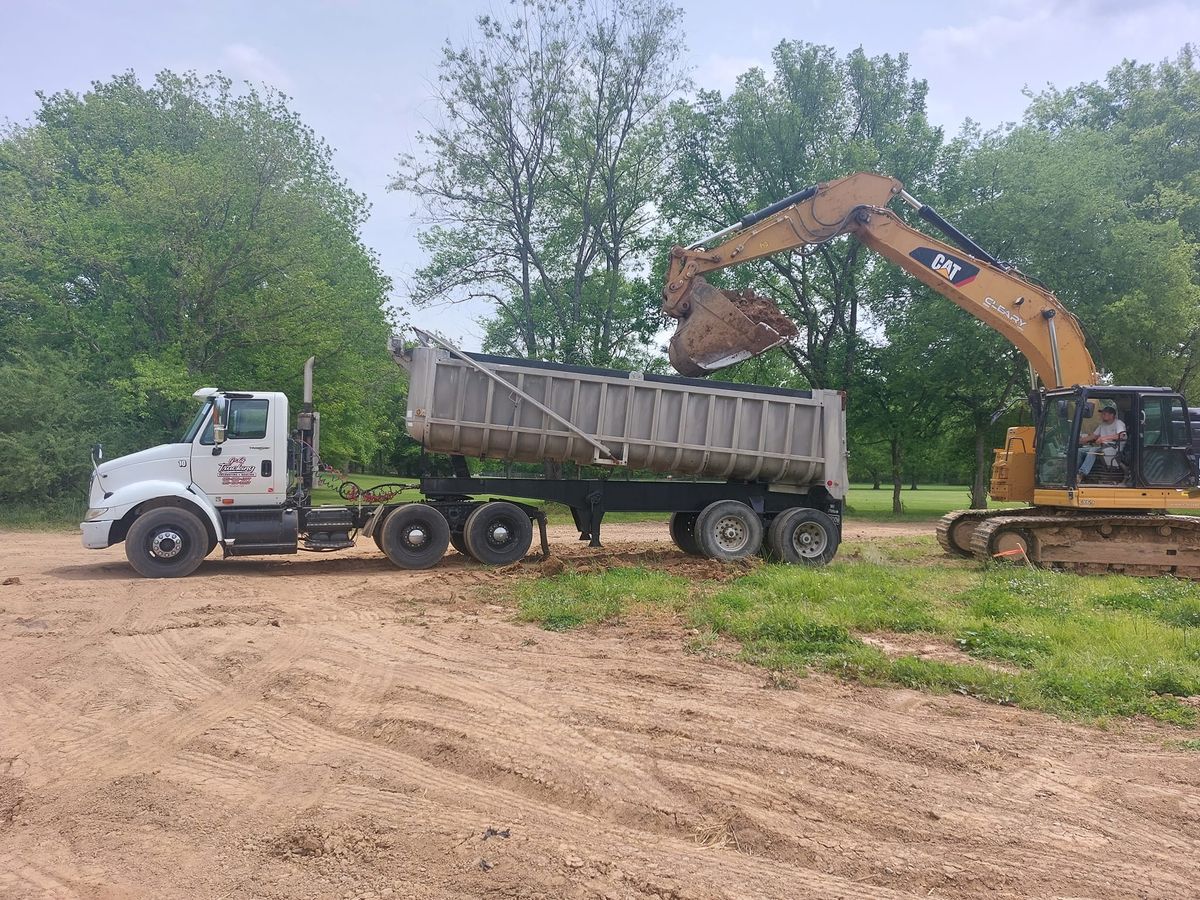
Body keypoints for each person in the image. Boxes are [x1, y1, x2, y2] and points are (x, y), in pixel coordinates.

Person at [1078, 401, 1126, 477]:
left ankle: (1082, 473)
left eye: (1104, 414)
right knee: (1079, 451)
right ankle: (1075, 472)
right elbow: (1094, 436)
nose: (1102, 416)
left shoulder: (1118, 423)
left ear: (1111, 415)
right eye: (1102, 414)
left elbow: (1121, 436)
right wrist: (1080, 440)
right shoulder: (1103, 425)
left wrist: (1103, 438)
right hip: (1103, 447)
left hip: (1114, 448)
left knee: (1093, 450)